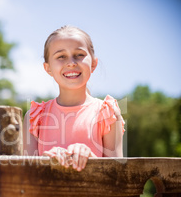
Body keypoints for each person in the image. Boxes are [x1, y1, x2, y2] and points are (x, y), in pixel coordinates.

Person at [23, 25, 125, 171]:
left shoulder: (107, 113)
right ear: (48, 68)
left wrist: (91, 160)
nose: (71, 62)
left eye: (79, 55)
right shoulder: (34, 118)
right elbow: (26, 177)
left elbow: (119, 175)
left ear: (94, 63)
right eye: (61, 56)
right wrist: (45, 162)